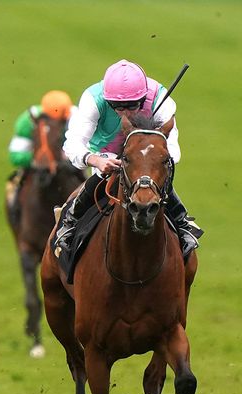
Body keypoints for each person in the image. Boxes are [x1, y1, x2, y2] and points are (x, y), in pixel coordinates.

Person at [57, 59, 201, 259]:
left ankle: (183, 224)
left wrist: (148, 161)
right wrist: (96, 160)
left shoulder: (161, 99)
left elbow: (173, 151)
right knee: (104, 176)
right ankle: (70, 222)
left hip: (145, 155)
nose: (125, 113)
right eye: (117, 106)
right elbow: (72, 144)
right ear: (107, 100)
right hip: (105, 153)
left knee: (155, 180)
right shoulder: (92, 100)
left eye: (132, 106)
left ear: (143, 98)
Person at [6, 90, 76, 208]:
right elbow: (15, 156)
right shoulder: (27, 121)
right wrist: (38, 158)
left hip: (67, 162)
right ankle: (15, 212)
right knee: (13, 193)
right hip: (35, 165)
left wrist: (64, 157)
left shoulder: (77, 117)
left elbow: (87, 149)